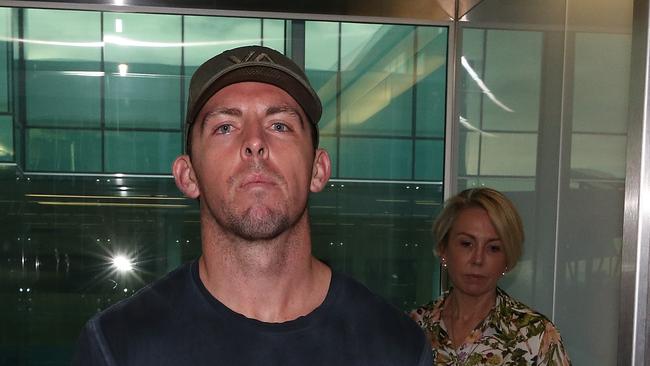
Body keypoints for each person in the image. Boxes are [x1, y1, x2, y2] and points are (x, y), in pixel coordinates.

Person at [72, 45, 432, 366]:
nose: (255, 142)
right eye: (225, 127)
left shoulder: (396, 348)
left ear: (318, 169)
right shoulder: (119, 347)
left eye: (279, 125)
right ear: (188, 175)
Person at [410, 188, 571, 366]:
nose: (478, 259)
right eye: (466, 244)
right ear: (443, 250)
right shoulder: (413, 327)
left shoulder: (537, 335)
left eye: (493, 248)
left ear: (507, 259)